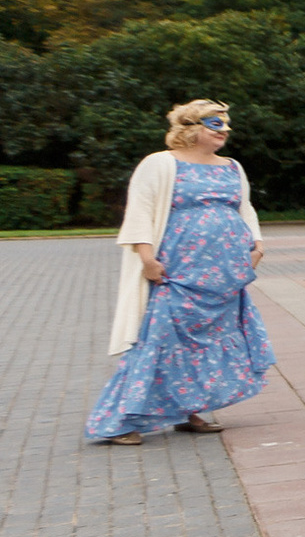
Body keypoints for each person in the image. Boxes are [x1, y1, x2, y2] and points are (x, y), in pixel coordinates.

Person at [88, 100, 274, 445]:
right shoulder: (160, 164)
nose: (225, 131)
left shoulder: (232, 167)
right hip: (178, 274)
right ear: (191, 127)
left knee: (202, 346)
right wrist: (147, 259)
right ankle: (120, 421)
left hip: (224, 277)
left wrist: (257, 247)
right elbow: (140, 212)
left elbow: (244, 208)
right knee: (158, 342)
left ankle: (189, 412)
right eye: (216, 124)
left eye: (226, 124)